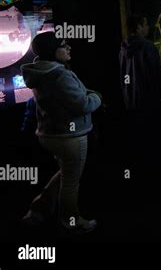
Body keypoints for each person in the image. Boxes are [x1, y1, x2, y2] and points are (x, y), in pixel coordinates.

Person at [21, 32, 102, 234]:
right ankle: (71, 222)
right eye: (64, 45)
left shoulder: (40, 71)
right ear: (52, 51)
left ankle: (37, 211)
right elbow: (82, 104)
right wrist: (97, 98)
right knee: (71, 183)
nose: (69, 48)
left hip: (49, 134)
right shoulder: (59, 74)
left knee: (65, 174)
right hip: (69, 137)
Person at [119, 14, 161, 214]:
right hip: (150, 106)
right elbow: (156, 77)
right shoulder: (148, 47)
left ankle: (142, 191)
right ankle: (157, 191)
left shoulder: (122, 47)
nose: (148, 27)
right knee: (155, 148)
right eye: (146, 23)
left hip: (131, 106)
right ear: (139, 25)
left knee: (139, 149)